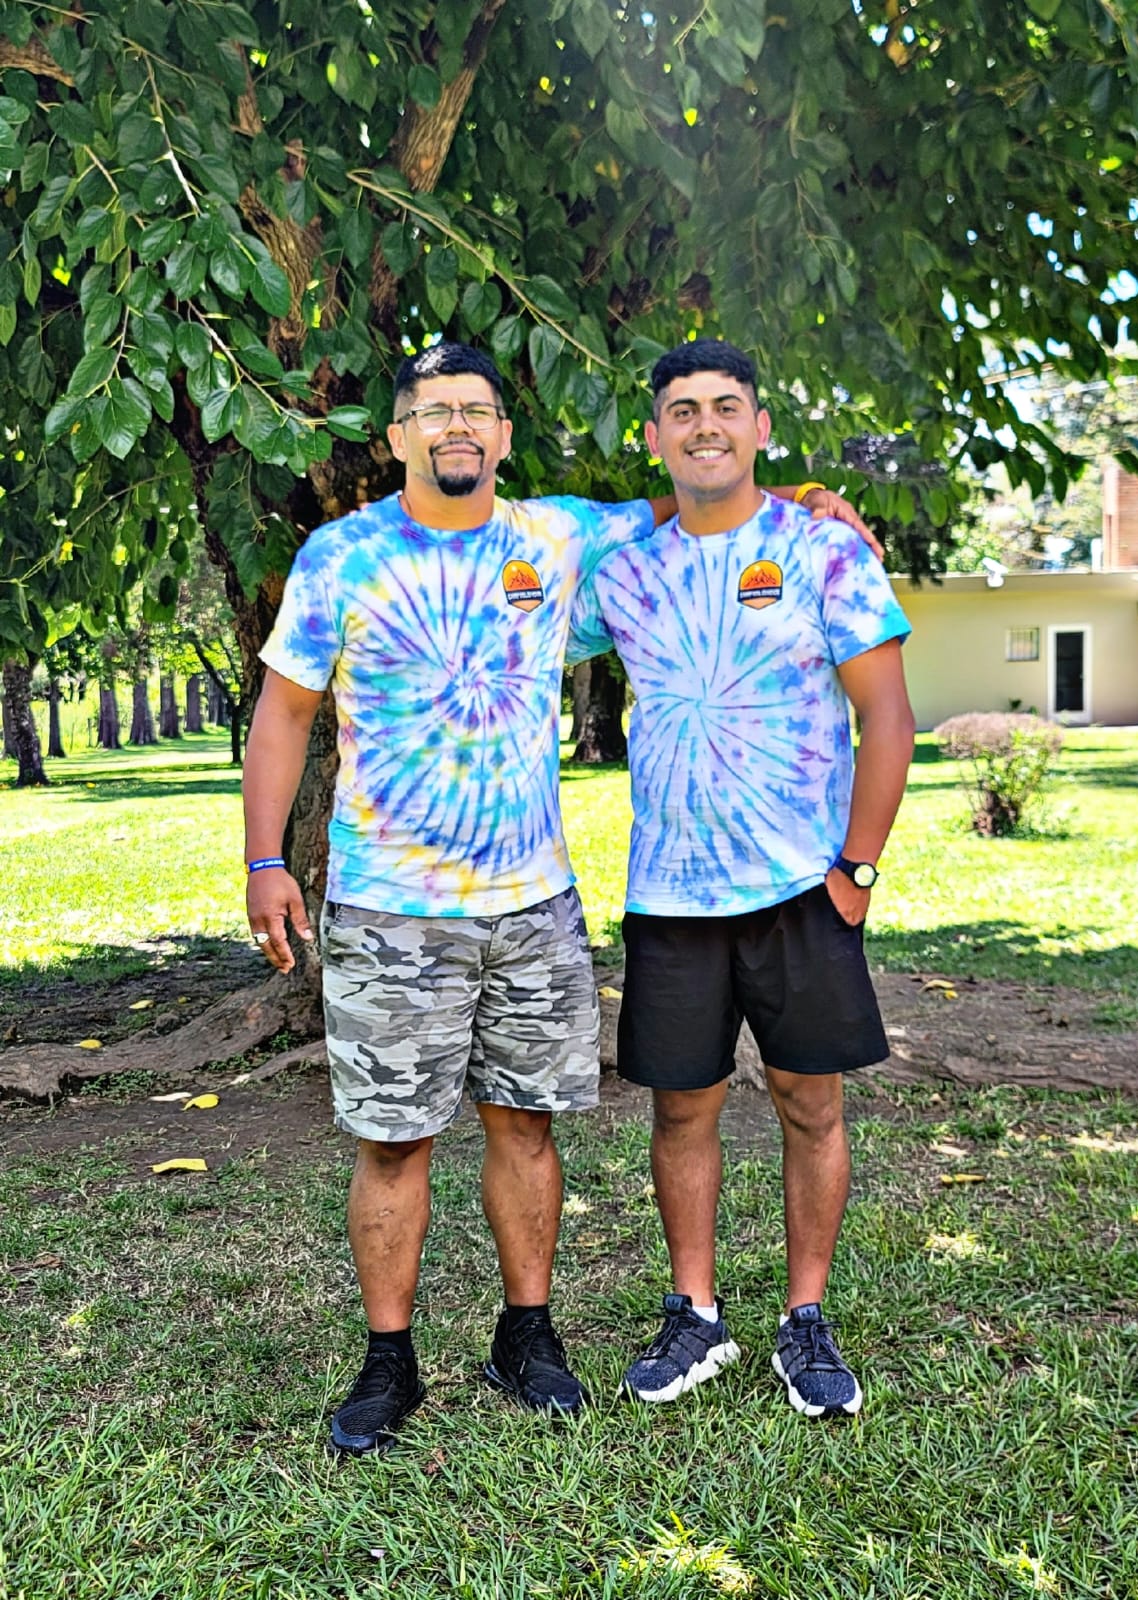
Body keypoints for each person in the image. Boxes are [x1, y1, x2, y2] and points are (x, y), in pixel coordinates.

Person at [242, 341, 870, 1454]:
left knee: (525, 1127)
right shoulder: (342, 555)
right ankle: (388, 1361)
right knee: (392, 1143)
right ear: (395, 436)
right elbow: (285, 713)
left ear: (503, 434)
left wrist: (810, 495)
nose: (456, 427)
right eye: (432, 411)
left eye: (475, 410)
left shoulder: (559, 535)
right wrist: (264, 861)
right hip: (390, 905)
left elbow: (699, 497)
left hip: (533, 905)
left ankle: (525, 1337)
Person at [567, 339, 916, 1419]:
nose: (704, 424)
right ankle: (695, 1312)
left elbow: (888, 715)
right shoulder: (624, 570)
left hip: (802, 887)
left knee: (811, 1103)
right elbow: (516, 584)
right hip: (671, 893)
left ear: (761, 427)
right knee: (682, 1109)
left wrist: (857, 864)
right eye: (682, 410)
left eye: (726, 406)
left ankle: (805, 1316)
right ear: (655, 435)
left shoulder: (822, 549)